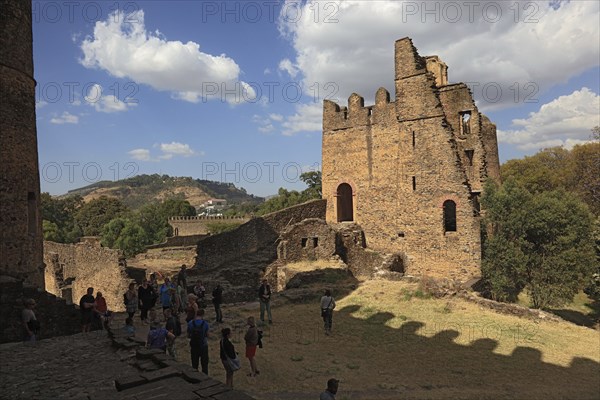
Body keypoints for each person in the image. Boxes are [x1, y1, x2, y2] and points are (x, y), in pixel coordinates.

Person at [188, 308, 210, 374]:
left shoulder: (190, 323)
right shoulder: (205, 324)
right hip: (203, 345)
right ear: (203, 315)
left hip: (194, 346)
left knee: (194, 364)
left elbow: (188, 335)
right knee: (204, 365)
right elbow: (208, 335)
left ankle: (195, 378)